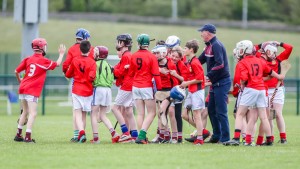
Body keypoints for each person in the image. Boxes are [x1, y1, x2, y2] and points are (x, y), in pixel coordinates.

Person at [223, 40, 284, 146]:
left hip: (251, 88)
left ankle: (236, 138)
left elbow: (244, 78)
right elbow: (269, 71)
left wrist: (242, 84)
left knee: (240, 114)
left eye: (241, 49)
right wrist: (279, 76)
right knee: (264, 117)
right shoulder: (259, 60)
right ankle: (269, 140)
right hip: (261, 89)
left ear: (245, 50)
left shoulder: (242, 62)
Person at [14, 38, 66, 143]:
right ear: (41, 48)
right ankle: (27, 137)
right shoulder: (43, 60)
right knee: (33, 113)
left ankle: (18, 135)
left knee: (25, 111)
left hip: (23, 87)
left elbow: (16, 71)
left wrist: (20, 80)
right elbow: (57, 64)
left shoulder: (28, 59)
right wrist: (61, 54)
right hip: (31, 89)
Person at [198, 24, 231, 143]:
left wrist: (208, 75)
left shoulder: (216, 45)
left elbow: (220, 64)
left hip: (222, 83)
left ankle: (225, 138)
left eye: (202, 32)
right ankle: (216, 136)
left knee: (221, 111)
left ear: (208, 33)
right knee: (211, 110)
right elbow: (199, 60)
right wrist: (187, 64)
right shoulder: (208, 46)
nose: (201, 34)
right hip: (215, 83)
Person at [255, 41, 293, 144]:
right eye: (271, 52)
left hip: (278, 89)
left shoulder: (279, 60)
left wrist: (279, 43)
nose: (273, 54)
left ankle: (283, 138)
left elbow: (290, 48)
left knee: (278, 114)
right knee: (269, 116)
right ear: (266, 51)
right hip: (265, 90)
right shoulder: (260, 59)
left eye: (274, 52)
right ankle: (270, 137)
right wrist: (262, 44)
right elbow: (252, 50)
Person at [129, 34, 162, 144]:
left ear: (139, 43)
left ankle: (140, 136)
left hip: (136, 86)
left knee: (140, 113)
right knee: (152, 112)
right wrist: (160, 88)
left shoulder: (133, 55)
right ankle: (142, 135)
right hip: (146, 87)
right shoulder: (152, 56)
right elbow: (156, 74)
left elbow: (131, 73)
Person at [62, 28, 94, 142]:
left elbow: (66, 65)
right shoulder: (91, 49)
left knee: (76, 111)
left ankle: (77, 135)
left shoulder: (72, 49)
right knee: (84, 112)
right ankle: (81, 134)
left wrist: (66, 72)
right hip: (89, 85)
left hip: (77, 84)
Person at [90, 46, 120, 144]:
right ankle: (114, 134)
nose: (93, 54)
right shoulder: (109, 65)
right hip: (108, 91)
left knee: (93, 114)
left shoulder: (94, 64)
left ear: (99, 54)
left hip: (98, 89)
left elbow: (92, 77)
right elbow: (112, 79)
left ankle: (96, 138)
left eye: (95, 52)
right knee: (102, 115)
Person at [180, 40, 206, 145]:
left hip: (197, 91)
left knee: (196, 115)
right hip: (191, 91)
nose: (184, 50)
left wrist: (187, 83)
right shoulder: (190, 61)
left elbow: (200, 79)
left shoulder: (195, 62)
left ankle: (199, 138)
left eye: (185, 48)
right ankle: (203, 131)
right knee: (184, 114)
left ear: (191, 50)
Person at [112, 33, 138, 142]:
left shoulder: (126, 56)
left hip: (127, 86)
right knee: (128, 111)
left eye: (119, 41)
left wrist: (112, 70)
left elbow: (121, 72)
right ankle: (134, 136)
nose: (117, 43)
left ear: (122, 43)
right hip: (131, 85)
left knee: (114, 108)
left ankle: (125, 132)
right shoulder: (128, 55)